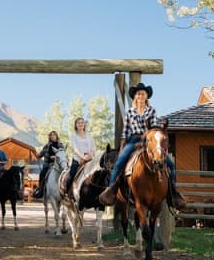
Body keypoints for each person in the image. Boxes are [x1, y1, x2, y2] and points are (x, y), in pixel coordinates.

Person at [99, 82, 186, 210]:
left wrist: (152, 141)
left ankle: (173, 193)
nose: (140, 96)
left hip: (149, 141)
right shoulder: (130, 112)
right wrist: (122, 146)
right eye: (138, 94)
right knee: (119, 163)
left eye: (143, 94)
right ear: (135, 97)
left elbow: (155, 128)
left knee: (170, 164)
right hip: (133, 140)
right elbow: (126, 131)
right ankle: (111, 190)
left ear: (146, 96)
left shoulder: (151, 111)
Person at [65, 117, 95, 196]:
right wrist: (83, 157)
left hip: (90, 159)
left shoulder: (89, 135)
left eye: (82, 122)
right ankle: (66, 193)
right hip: (78, 158)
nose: (80, 124)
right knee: (71, 175)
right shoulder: (73, 136)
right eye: (78, 123)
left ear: (84, 124)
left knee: (99, 174)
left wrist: (89, 156)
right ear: (76, 125)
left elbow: (93, 148)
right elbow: (75, 149)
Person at [33, 131, 63, 198]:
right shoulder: (46, 146)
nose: (52, 136)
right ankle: (40, 190)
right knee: (42, 174)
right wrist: (37, 154)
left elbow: (63, 154)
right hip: (48, 163)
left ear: (56, 136)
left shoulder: (60, 145)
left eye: (54, 135)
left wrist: (56, 157)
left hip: (57, 163)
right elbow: (40, 155)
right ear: (49, 137)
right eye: (51, 135)